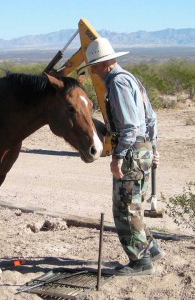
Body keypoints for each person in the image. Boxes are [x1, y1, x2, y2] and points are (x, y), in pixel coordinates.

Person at [82, 37, 164, 276]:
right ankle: (151, 249)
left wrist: (118, 157)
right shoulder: (131, 79)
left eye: (94, 66)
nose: (93, 71)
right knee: (134, 205)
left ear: (105, 63)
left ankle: (140, 262)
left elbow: (129, 127)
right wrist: (153, 148)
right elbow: (151, 119)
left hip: (131, 153)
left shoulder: (117, 84)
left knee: (125, 209)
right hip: (142, 150)